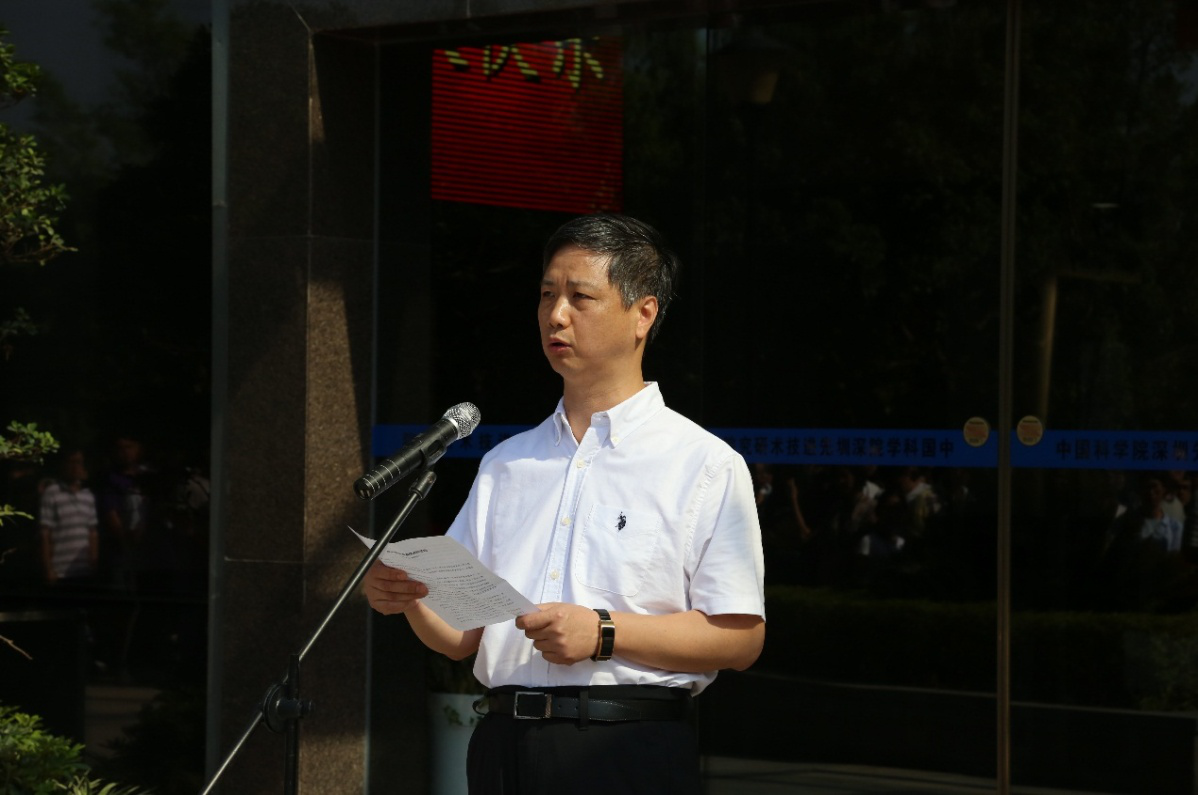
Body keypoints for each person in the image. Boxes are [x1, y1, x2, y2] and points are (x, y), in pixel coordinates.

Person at [363, 213, 766, 794]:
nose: (556, 315)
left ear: (643, 314)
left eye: (581, 297)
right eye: (547, 294)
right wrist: (410, 598)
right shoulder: (506, 463)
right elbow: (462, 635)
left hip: (625, 746)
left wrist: (604, 632)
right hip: (502, 743)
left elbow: (740, 638)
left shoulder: (702, 462)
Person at [38, 448, 100, 588]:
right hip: (59, 571)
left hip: (84, 570)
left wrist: (94, 562)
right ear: (63, 465)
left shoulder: (88, 496)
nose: (75, 467)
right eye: (71, 462)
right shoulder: (52, 492)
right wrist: (48, 569)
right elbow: (45, 533)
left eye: (79, 462)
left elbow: (93, 533)